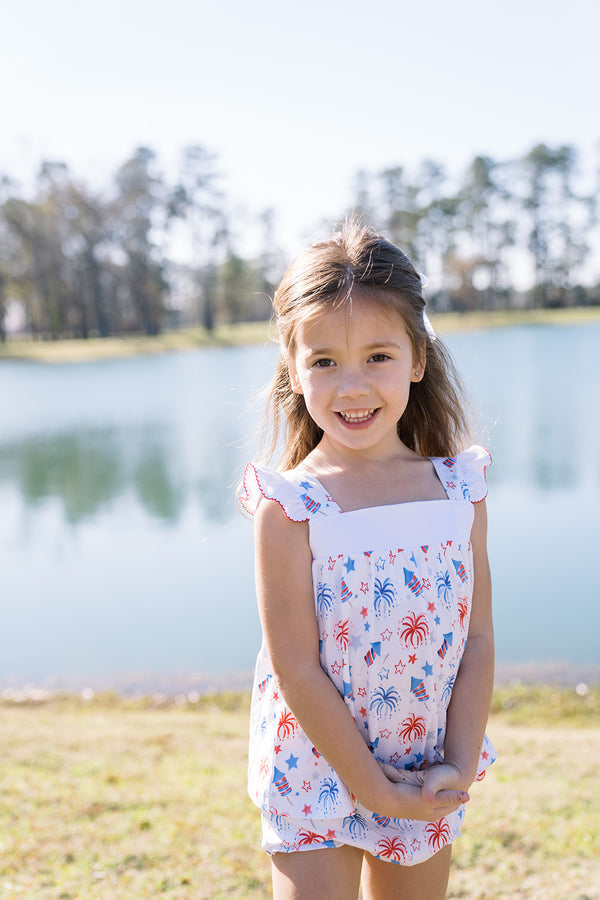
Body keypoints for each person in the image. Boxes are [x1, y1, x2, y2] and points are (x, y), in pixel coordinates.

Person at [240, 220, 495, 900]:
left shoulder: (458, 490)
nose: (351, 386)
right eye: (324, 361)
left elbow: (476, 638)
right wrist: (368, 785)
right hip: (317, 765)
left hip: (422, 762)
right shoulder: (290, 505)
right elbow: (295, 665)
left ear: (417, 358)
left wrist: (458, 766)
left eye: (377, 356)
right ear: (294, 370)